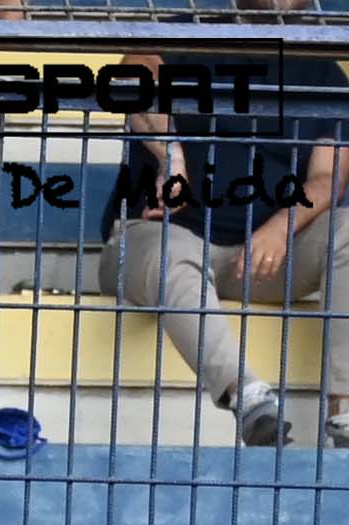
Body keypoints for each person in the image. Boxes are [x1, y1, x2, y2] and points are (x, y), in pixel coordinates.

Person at [106, 32, 349, 449]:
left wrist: (282, 226)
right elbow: (133, 77)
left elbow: (328, 177)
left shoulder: (322, 70)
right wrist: (171, 156)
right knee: (166, 252)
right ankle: (249, 399)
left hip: (265, 258)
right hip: (166, 236)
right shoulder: (194, 34)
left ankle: (344, 415)